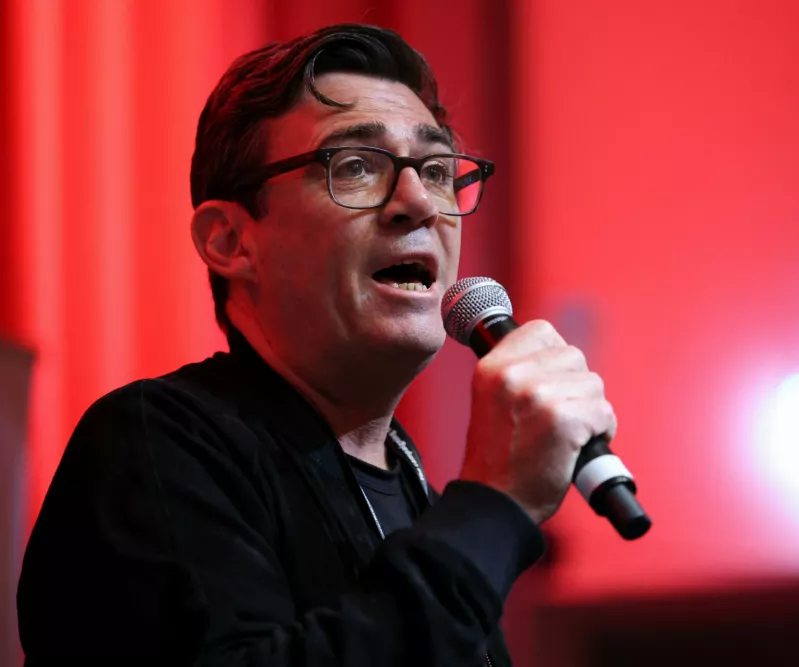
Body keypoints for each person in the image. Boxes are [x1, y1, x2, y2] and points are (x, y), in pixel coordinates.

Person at [17, 24, 616, 666]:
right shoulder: (153, 445)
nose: (417, 202)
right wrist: (494, 507)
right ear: (230, 241)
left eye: (438, 170)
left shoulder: (415, 488)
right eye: (355, 166)